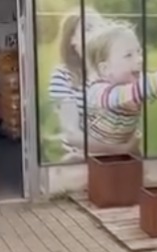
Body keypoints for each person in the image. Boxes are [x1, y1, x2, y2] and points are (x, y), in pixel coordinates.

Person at [84, 23, 157, 153]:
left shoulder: (136, 84)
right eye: (129, 55)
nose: (139, 59)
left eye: (139, 52)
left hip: (122, 154)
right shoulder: (99, 93)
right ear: (105, 69)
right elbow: (143, 88)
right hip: (94, 157)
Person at [48, 7, 109, 161]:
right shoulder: (62, 75)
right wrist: (116, 148)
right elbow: (71, 133)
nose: (97, 33)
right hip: (80, 157)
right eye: (89, 28)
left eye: (102, 28)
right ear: (72, 40)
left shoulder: (114, 72)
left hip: (115, 156)